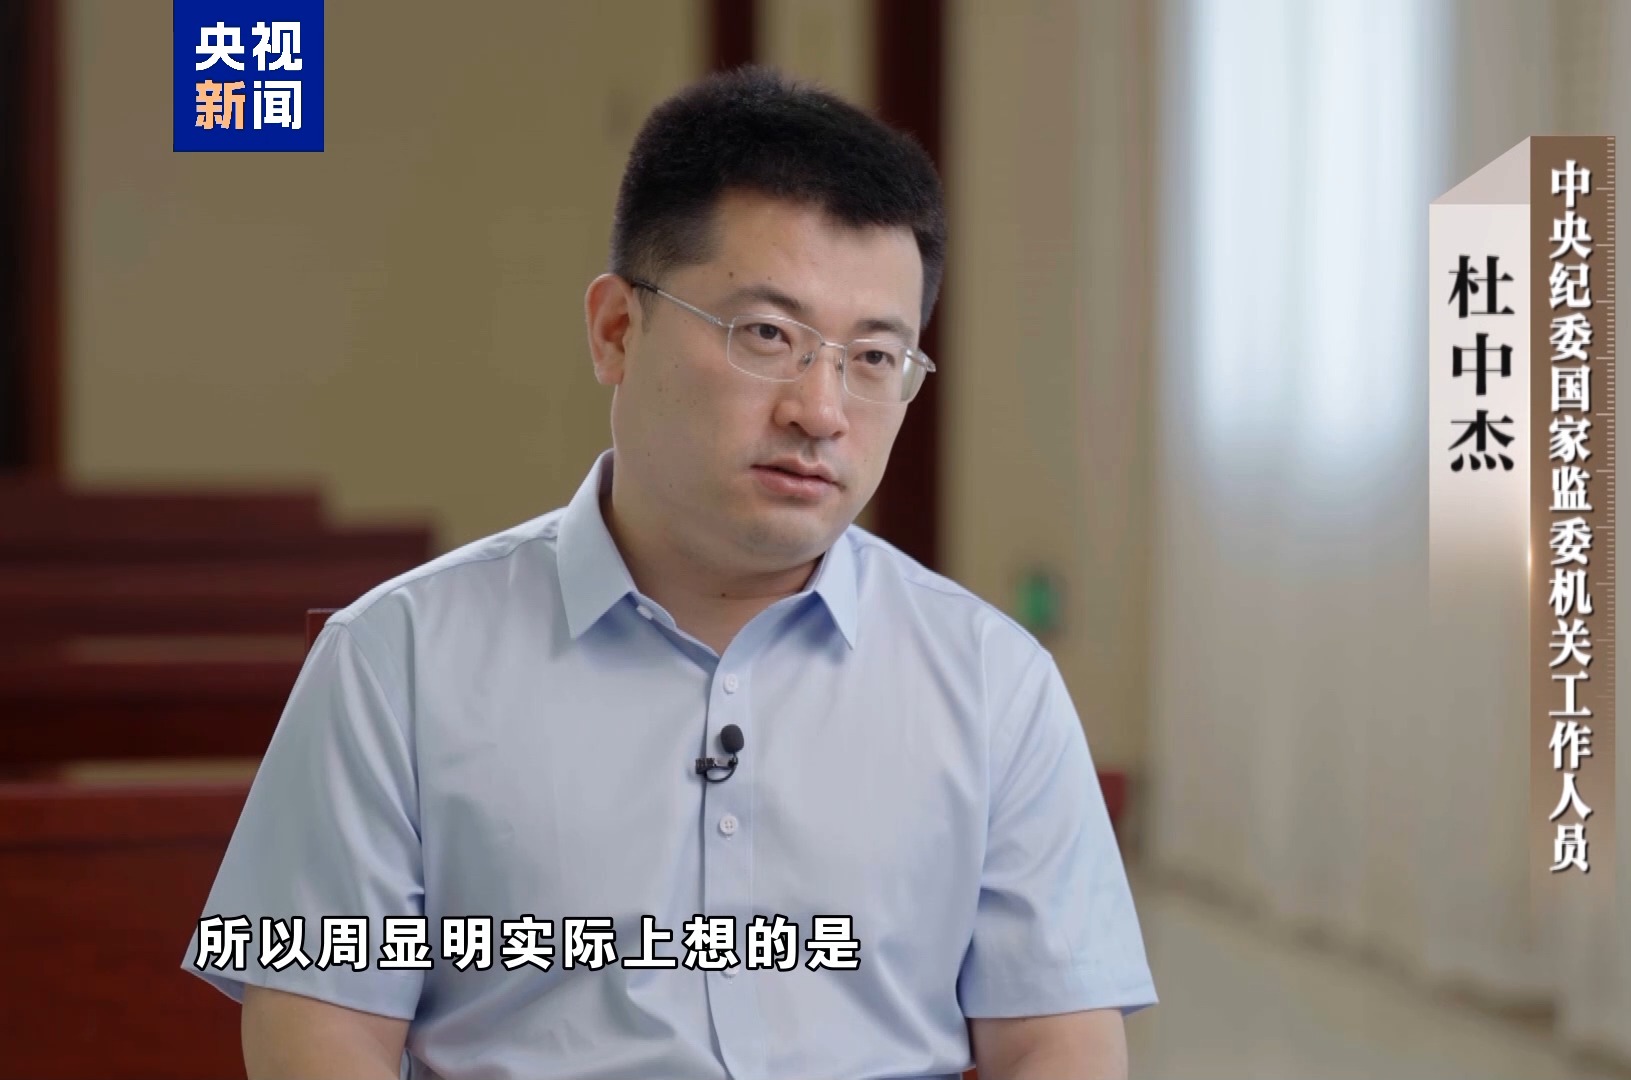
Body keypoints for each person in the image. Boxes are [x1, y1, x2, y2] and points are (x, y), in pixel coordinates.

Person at [183, 66, 1155, 1080]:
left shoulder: (995, 681)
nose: (821, 411)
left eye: (874, 358)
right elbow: (320, 1030)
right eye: (767, 335)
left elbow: (1059, 1039)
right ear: (616, 330)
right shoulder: (395, 659)